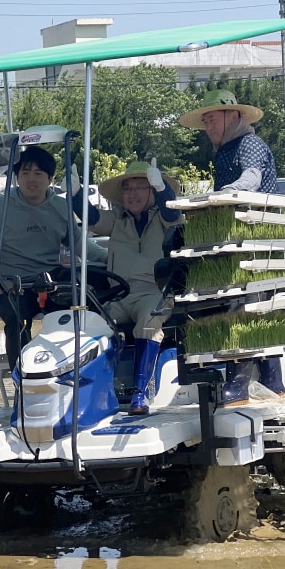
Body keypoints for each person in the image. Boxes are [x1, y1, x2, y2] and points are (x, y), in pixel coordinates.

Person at [70, 159, 184, 415]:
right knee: (89, 324)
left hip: (154, 291)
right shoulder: (117, 219)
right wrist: (76, 194)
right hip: (119, 294)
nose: (133, 194)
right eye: (128, 189)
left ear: (152, 191)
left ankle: (140, 393)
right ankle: (91, 392)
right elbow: (93, 218)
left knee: (148, 320)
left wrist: (163, 188)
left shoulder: (165, 217)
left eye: (141, 188)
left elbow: (172, 212)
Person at [0, 145, 83, 372]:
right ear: (16, 177)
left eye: (38, 173)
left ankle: (69, 374)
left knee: (79, 313)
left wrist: (111, 259)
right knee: (17, 322)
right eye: (25, 173)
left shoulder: (60, 207)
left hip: (50, 282)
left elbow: (82, 247)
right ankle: (23, 381)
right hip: (9, 285)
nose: (31, 179)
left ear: (50, 178)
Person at [179, 89, 277, 193]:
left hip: (257, 209)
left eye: (212, 120)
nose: (209, 128)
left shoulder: (249, 142)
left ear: (234, 117)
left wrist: (231, 190)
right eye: (206, 122)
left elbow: (252, 175)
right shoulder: (225, 150)